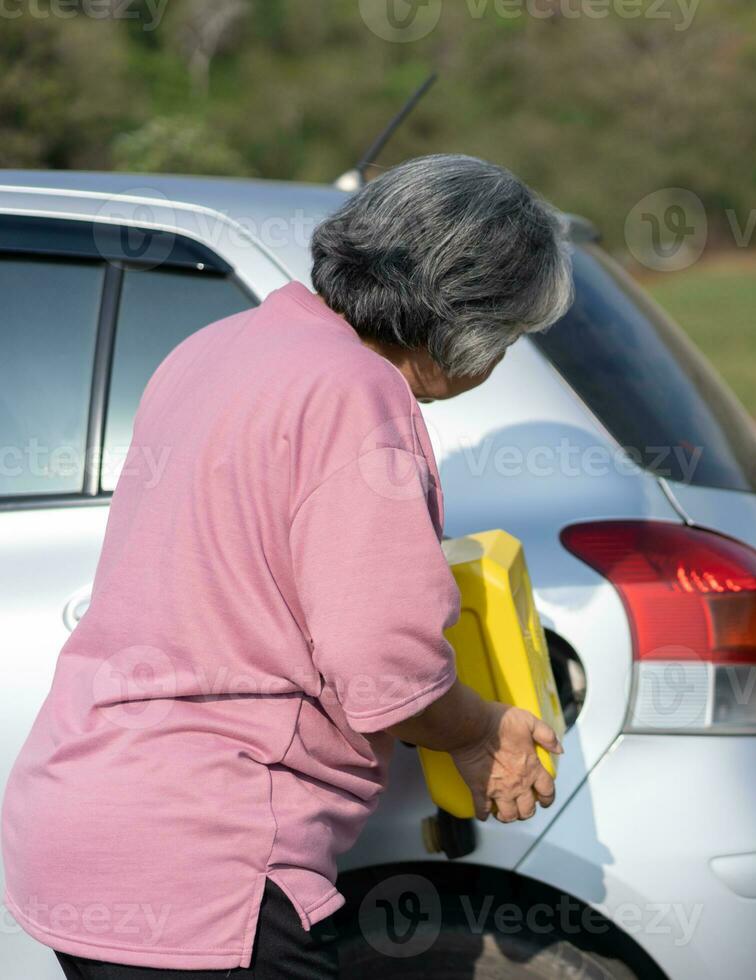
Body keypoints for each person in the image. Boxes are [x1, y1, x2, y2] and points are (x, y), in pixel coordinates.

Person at [1, 154, 574, 979]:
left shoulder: (220, 346)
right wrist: (480, 730)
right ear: (468, 324)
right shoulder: (355, 393)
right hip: (203, 860)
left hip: (79, 823)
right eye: (511, 337)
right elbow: (384, 669)